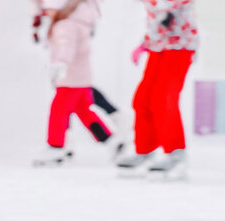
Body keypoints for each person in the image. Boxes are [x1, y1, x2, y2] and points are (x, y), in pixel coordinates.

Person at [33, 0, 123, 166]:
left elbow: (66, 46)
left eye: (49, 9)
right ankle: (111, 141)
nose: (47, 13)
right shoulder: (78, 20)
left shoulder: (65, 25)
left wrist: (60, 63)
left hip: (70, 78)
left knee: (58, 110)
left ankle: (55, 147)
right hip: (80, 77)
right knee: (84, 112)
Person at [117, 0, 199, 178]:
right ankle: (145, 149)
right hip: (158, 45)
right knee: (142, 99)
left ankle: (176, 152)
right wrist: (145, 43)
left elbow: (166, 7)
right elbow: (156, 18)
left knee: (164, 99)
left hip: (180, 45)